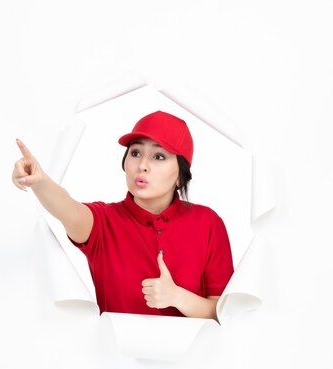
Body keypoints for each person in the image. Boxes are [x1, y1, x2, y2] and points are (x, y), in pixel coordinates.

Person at [12, 111, 233, 320]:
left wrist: (177, 297)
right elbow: (69, 210)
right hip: (112, 359)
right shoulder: (103, 223)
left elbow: (226, 313)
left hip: (194, 360)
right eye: (135, 153)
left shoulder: (207, 223)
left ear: (181, 176)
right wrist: (40, 183)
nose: (142, 166)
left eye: (158, 156)